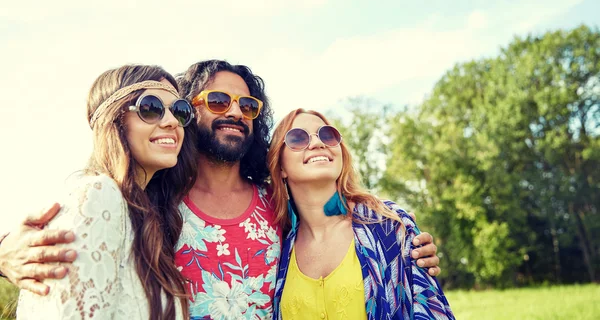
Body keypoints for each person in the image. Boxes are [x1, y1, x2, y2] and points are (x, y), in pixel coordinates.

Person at [0, 60, 442, 319]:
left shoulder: (279, 202)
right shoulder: (154, 200)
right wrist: (4, 253)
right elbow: (70, 241)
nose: (234, 111)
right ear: (189, 112)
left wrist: (407, 245)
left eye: (247, 105)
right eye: (216, 101)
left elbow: (348, 223)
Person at [15, 64, 198, 319]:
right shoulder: (98, 194)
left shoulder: (146, 214)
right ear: (115, 120)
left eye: (179, 111)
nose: (171, 122)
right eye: (151, 108)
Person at [267, 108, 455, 319]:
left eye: (327, 135)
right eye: (298, 138)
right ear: (280, 166)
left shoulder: (390, 223)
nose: (318, 143)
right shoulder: (276, 249)